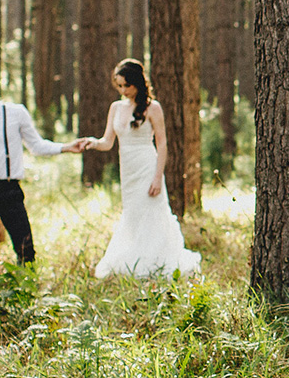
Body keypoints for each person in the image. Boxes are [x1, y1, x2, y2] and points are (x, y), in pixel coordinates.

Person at [0, 69, 89, 264]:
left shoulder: (15, 113)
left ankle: (27, 287)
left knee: (24, 245)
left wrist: (66, 147)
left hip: (8, 190)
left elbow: (36, 146)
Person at [78, 58, 202, 279]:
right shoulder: (115, 108)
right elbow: (108, 141)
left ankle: (155, 260)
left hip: (147, 166)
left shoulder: (153, 108)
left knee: (152, 212)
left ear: (138, 83)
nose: (124, 90)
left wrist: (157, 177)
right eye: (120, 86)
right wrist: (93, 143)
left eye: (128, 85)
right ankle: (135, 257)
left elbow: (162, 143)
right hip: (128, 170)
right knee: (133, 213)